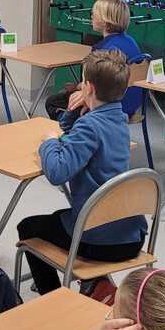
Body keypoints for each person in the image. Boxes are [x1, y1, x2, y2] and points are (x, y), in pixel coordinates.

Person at [17, 49, 146, 300]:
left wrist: (49, 143)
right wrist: (75, 109)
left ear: (89, 87)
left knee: (28, 227)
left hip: (102, 240)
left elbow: (57, 172)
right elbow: (72, 130)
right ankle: (95, 285)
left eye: (83, 82)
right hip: (131, 235)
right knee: (58, 218)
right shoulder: (118, 119)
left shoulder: (90, 125)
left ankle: (54, 301)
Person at [45, 0, 143, 122]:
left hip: (108, 105)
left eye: (94, 13)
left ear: (105, 20)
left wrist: (80, 89)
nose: (91, 16)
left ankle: (72, 129)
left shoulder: (105, 52)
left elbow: (98, 89)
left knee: (52, 102)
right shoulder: (130, 41)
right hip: (131, 104)